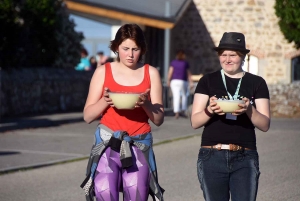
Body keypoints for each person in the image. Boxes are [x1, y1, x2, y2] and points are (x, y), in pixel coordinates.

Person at [80, 24, 165, 201]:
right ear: (116, 47)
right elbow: (88, 116)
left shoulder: (151, 73)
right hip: (107, 144)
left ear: (142, 49)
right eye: (125, 48)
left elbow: (158, 119)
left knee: (136, 195)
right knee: (105, 194)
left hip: (139, 143)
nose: (130, 54)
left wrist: (146, 104)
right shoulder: (103, 71)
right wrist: (105, 100)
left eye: (136, 49)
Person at [191, 32, 270, 201]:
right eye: (223, 54)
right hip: (211, 155)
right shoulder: (207, 81)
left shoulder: (257, 83)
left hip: (245, 157)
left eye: (233, 55)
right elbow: (195, 121)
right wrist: (210, 110)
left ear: (243, 57)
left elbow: (264, 124)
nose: (227, 59)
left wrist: (249, 109)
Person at [167, 50, 193, 119]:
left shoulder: (173, 63)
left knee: (176, 96)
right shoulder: (185, 63)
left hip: (174, 81)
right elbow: (188, 74)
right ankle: (183, 110)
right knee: (184, 96)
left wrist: (168, 80)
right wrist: (191, 82)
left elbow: (170, 72)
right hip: (183, 81)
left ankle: (176, 112)